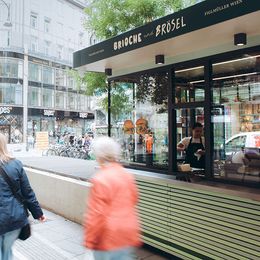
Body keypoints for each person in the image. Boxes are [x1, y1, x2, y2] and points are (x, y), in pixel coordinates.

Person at [84, 136, 142, 260]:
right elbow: (135, 198)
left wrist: (89, 240)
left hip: (108, 237)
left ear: (99, 156)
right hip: (128, 233)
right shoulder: (126, 175)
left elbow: (96, 214)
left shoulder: (100, 179)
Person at [0, 133, 46, 260]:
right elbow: (27, 192)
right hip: (14, 218)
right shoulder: (16, 164)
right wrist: (38, 213)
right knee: (7, 252)